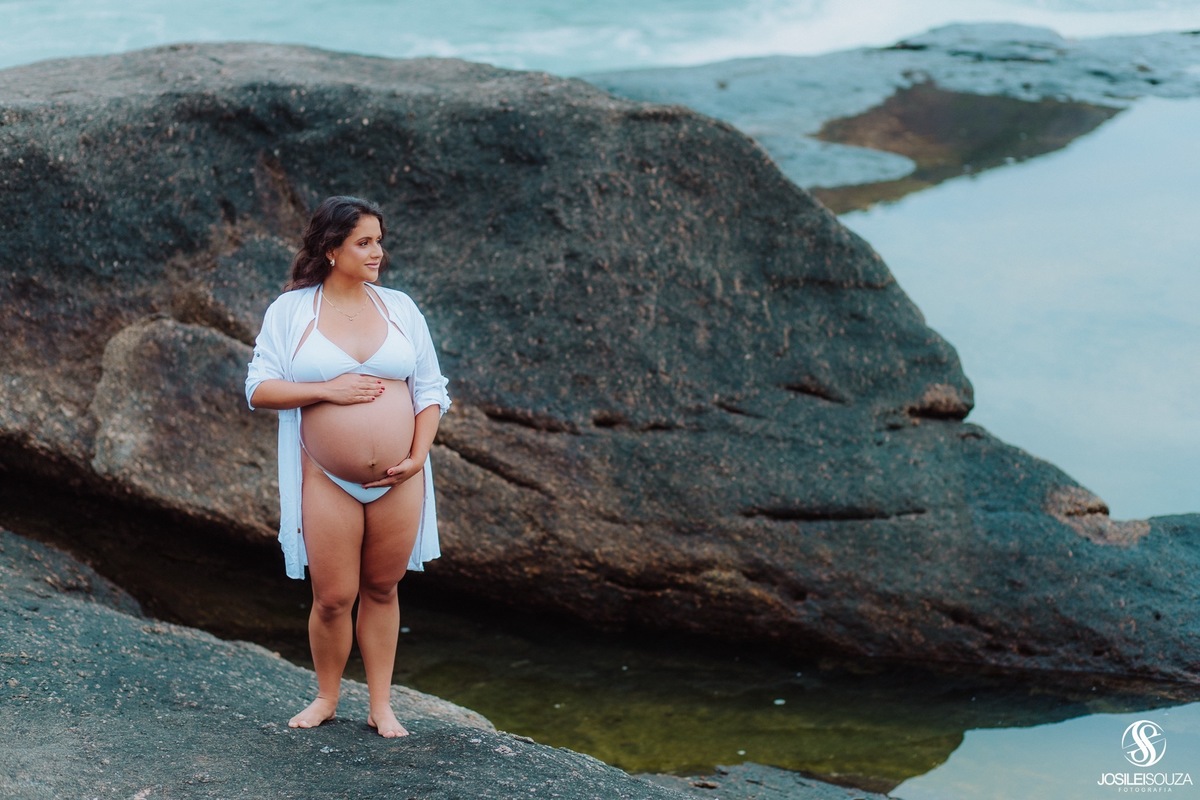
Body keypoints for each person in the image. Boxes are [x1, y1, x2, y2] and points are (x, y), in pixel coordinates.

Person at [245, 195, 450, 738]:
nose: (377, 251)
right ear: (331, 249)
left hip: (400, 477)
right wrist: (326, 390)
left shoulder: (399, 307)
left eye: (379, 240)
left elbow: (429, 389)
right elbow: (259, 389)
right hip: (327, 477)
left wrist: (417, 456)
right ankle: (326, 696)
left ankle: (381, 705)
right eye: (364, 242)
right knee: (334, 597)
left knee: (383, 589)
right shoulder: (292, 311)